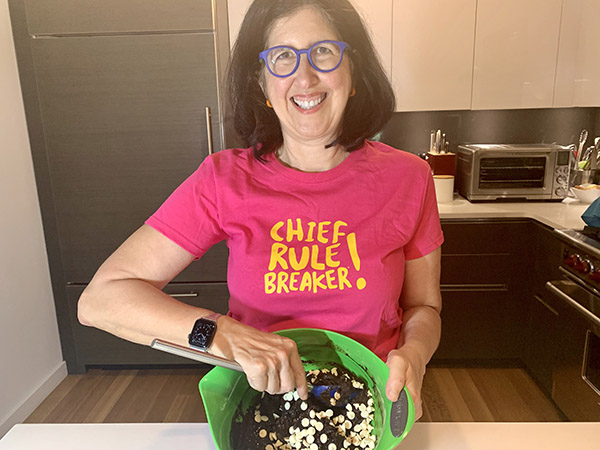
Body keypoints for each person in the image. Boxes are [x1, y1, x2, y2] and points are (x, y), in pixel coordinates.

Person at [78, 0, 443, 420]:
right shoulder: (223, 180)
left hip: (374, 406)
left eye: (323, 51)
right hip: (259, 409)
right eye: (283, 57)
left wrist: (414, 354)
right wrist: (223, 334)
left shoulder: (409, 177)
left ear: (354, 72)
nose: (304, 77)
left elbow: (424, 308)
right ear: (263, 84)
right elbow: (100, 299)